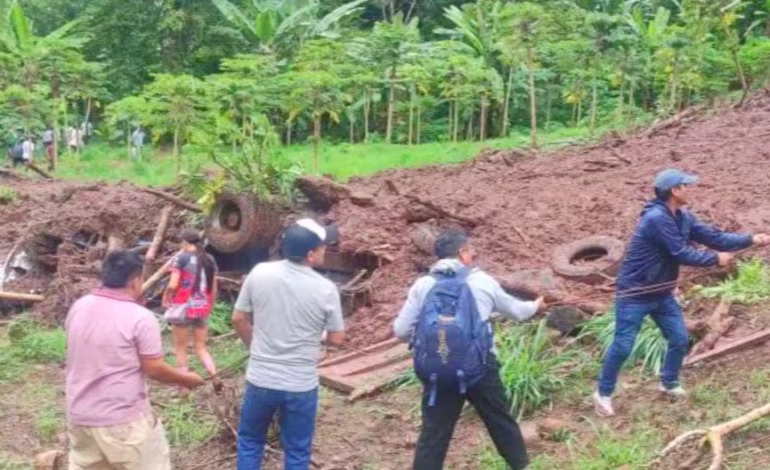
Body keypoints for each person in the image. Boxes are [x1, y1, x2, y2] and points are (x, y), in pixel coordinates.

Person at [593, 169, 770, 417]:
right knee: (623, 345)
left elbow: (715, 237)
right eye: (686, 185)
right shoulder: (656, 219)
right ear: (675, 191)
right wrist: (715, 259)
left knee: (678, 338)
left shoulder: (683, 217)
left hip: (662, 292)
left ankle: (668, 383)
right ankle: (603, 394)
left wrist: (751, 239)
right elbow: (680, 253)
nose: (689, 189)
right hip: (635, 293)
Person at [393, 229, 547, 470]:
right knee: (500, 421)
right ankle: (522, 467)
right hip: (480, 367)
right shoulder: (481, 281)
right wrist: (535, 305)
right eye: (471, 250)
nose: (474, 254)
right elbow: (517, 312)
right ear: (462, 252)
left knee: (434, 433)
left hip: (439, 370)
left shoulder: (422, 285)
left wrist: (437, 341)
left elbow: (401, 330)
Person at [65, 250, 205, 470]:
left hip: (80, 416)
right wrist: (186, 379)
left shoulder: (80, 306)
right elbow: (154, 368)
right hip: (123, 420)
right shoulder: (140, 318)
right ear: (135, 280)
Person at [232, 218, 345, 470]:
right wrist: (320, 335)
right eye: (322, 247)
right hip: (300, 384)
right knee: (297, 450)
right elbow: (337, 339)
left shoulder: (260, 273)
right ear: (310, 254)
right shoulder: (326, 289)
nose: (324, 251)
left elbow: (239, 319)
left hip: (261, 378)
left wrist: (254, 347)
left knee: (250, 441)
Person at [162, 229, 221, 392]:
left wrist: (167, 297)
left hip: (183, 306)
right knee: (201, 346)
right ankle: (215, 375)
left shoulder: (181, 258)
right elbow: (214, 287)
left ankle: (183, 387)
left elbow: (173, 285)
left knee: (180, 348)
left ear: (185, 242)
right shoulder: (209, 259)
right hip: (202, 306)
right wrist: (210, 304)